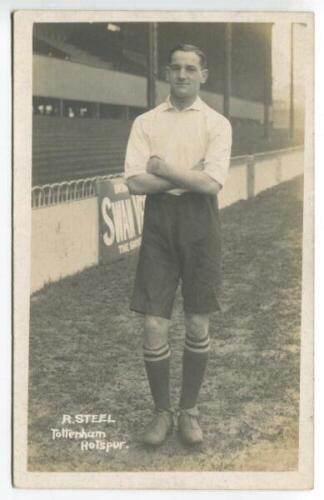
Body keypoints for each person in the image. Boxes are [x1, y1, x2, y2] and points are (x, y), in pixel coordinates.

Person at [124, 43, 232, 446]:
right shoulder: (146, 122)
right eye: (175, 68)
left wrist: (164, 168)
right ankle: (160, 413)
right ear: (166, 74)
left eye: (191, 69)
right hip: (159, 223)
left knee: (198, 320)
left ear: (204, 75)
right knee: (154, 321)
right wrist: (190, 173)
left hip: (201, 221)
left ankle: (188, 410)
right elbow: (135, 183)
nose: (182, 75)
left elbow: (211, 183)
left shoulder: (217, 124)